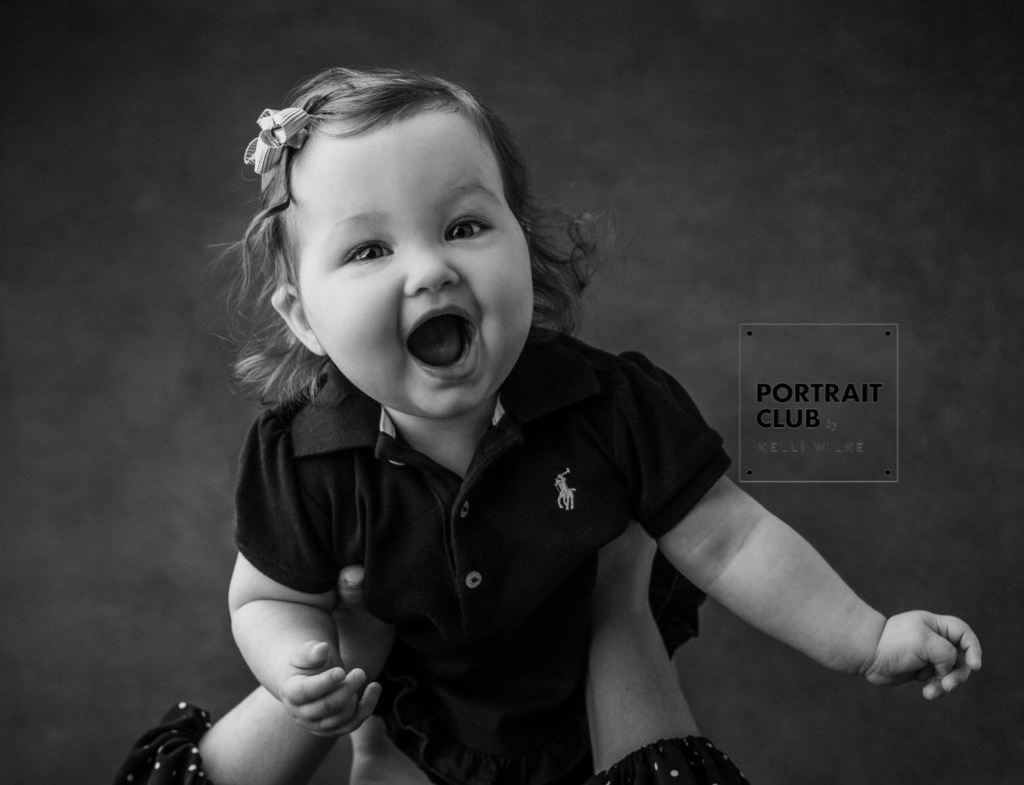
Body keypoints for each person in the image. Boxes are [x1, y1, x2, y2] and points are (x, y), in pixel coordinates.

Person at [115, 68, 981, 785]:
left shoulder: (608, 405)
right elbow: (268, 595)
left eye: (463, 226)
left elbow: (730, 537)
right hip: (408, 727)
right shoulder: (302, 455)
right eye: (369, 250)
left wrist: (865, 636)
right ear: (303, 317)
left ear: (523, 250)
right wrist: (297, 662)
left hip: (585, 714)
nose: (430, 268)